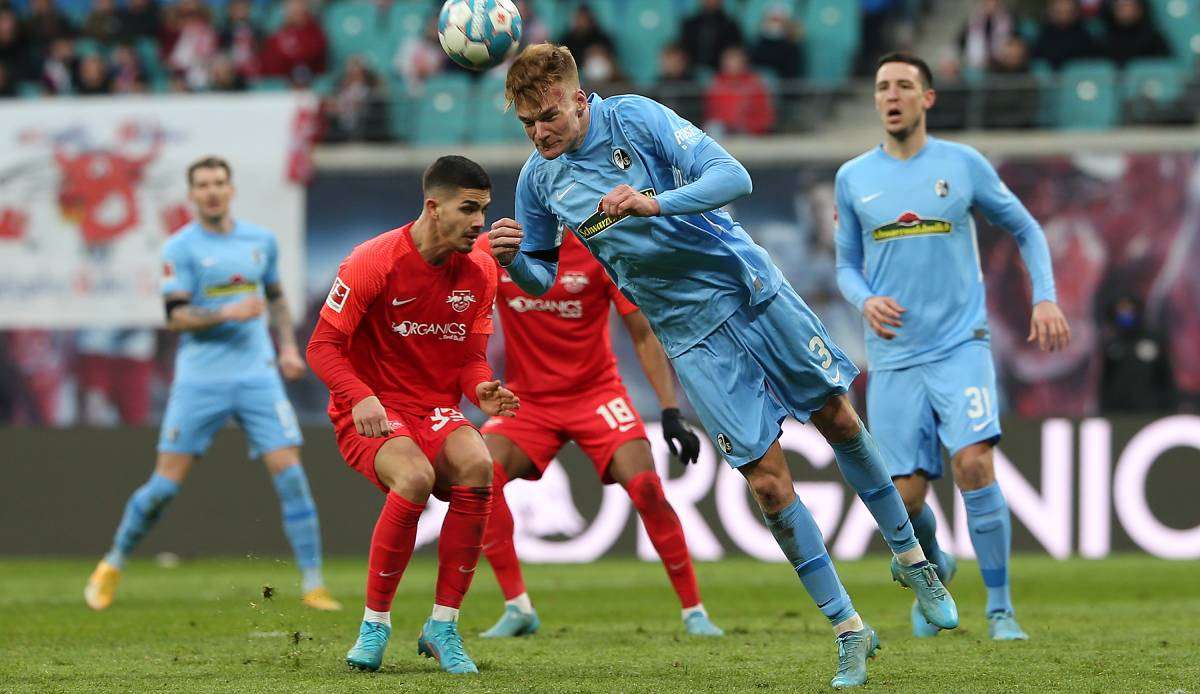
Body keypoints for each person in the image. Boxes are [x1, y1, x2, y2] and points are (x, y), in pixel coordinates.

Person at [489, 43, 957, 689]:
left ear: (578, 98)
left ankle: (913, 561)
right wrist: (514, 259)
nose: (539, 133)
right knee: (767, 486)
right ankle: (849, 630)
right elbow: (540, 276)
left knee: (838, 420)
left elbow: (734, 178)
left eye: (547, 116)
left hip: (748, 290)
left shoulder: (636, 120)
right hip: (688, 335)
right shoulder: (538, 181)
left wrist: (654, 202)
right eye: (526, 123)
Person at [833, 53, 1071, 642]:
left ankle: (1000, 608)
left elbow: (1025, 228)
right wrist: (864, 299)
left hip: (960, 343)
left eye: (904, 86)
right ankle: (934, 565)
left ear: (927, 98)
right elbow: (845, 265)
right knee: (906, 499)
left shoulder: (962, 166)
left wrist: (1044, 296)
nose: (892, 95)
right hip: (892, 355)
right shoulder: (853, 178)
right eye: (883, 86)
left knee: (973, 463)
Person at [84, 156, 340, 613]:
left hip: (257, 374)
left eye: (219, 182)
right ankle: (112, 562)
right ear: (193, 194)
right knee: (163, 487)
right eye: (203, 185)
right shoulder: (180, 249)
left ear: (230, 188)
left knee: (292, 475)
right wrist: (226, 312)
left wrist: (284, 347)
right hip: (201, 379)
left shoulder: (259, 242)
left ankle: (314, 584)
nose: (212, 191)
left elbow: (277, 299)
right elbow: (176, 317)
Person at [306, 155, 518, 676]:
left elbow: (469, 358)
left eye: (484, 211)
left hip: (434, 408)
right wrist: (359, 395)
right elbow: (322, 346)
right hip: (371, 410)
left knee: (479, 467)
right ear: (432, 206)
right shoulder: (373, 261)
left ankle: (442, 627)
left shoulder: (482, 270)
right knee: (415, 476)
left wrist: (482, 389)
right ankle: (374, 626)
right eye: (468, 209)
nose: (479, 223)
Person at [473, 231, 723, 639]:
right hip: (527, 400)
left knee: (646, 487)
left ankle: (694, 611)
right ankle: (517, 607)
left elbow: (642, 334)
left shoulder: (602, 247)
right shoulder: (497, 246)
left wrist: (670, 409)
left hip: (596, 394)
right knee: (480, 473)